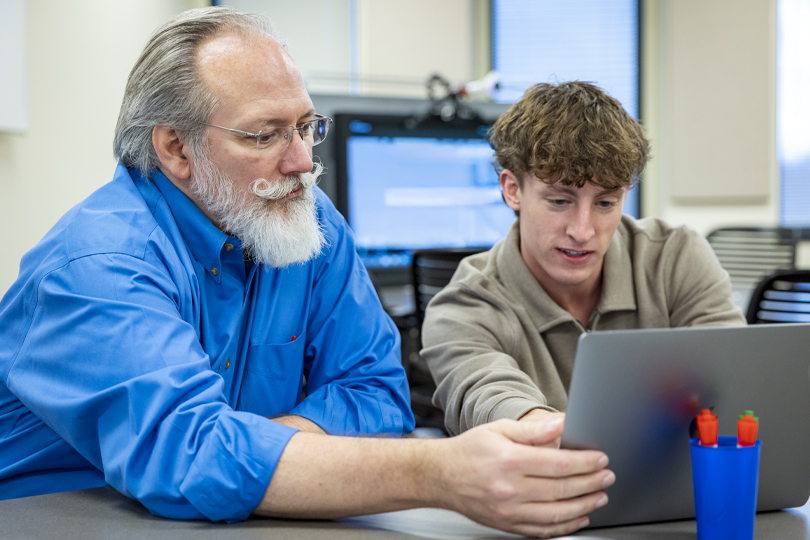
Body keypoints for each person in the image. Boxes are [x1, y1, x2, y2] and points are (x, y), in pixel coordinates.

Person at [0, 8, 614, 538]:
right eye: (265, 134)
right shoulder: (98, 266)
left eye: (305, 127)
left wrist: (250, 449)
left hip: (224, 519)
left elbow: (379, 394)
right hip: (58, 518)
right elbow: (189, 455)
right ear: (175, 149)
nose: (301, 162)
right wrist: (440, 472)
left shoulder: (305, 221)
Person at [422, 81, 746, 436]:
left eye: (605, 203)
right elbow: (494, 405)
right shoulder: (464, 308)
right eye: (560, 201)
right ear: (512, 189)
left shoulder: (675, 259)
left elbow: (734, 390)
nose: (583, 231)